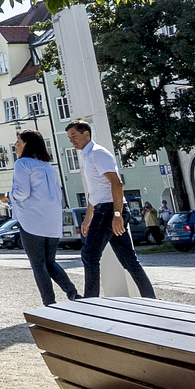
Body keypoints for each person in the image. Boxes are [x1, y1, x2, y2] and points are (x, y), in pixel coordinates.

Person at [65, 120, 156, 299]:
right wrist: (88, 216)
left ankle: (90, 301)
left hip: (109, 210)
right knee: (128, 260)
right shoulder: (87, 155)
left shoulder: (98, 153)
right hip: (105, 208)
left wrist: (117, 214)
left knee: (89, 255)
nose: (71, 141)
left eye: (74, 136)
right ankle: (150, 298)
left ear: (86, 134)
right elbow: (95, 190)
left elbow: (117, 183)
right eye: (69, 138)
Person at [0, 130, 78, 306]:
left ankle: (50, 303)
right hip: (52, 220)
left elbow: (22, 193)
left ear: (27, 145)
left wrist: (6, 196)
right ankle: (72, 293)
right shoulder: (48, 166)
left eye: (18, 142)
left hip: (32, 221)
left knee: (38, 264)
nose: (15, 145)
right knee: (50, 262)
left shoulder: (22, 163)